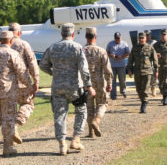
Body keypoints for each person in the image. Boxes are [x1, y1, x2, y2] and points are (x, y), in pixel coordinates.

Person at [39, 23, 96, 156]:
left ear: (61, 34)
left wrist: (54, 73)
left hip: (58, 86)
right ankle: (76, 138)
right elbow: (84, 69)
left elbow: (42, 65)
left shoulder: (53, 48)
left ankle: (62, 144)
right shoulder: (77, 47)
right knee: (81, 110)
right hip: (74, 87)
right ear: (73, 34)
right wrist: (89, 86)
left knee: (59, 114)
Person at [0, 30, 34, 157]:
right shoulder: (12, 53)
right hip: (8, 92)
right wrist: (30, 86)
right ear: (10, 41)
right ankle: (7, 147)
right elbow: (22, 72)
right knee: (8, 119)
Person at [8, 22, 39, 145]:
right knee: (28, 104)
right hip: (22, 83)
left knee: (9, 110)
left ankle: (9, 139)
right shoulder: (24, 44)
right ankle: (15, 126)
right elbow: (32, 63)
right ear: (19, 33)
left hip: (6, 84)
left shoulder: (3, 45)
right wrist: (36, 80)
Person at [84, 27, 113, 138]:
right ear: (96, 37)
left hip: (86, 84)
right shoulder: (101, 51)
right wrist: (109, 82)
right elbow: (107, 69)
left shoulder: (82, 51)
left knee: (89, 106)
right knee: (102, 104)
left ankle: (91, 132)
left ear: (86, 37)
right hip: (99, 82)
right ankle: (96, 120)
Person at [127, 32, 158, 113]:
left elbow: (155, 59)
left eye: (142, 38)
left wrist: (156, 70)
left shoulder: (150, 47)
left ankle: (144, 104)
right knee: (138, 89)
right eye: (140, 38)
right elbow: (131, 59)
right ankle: (143, 101)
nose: (141, 39)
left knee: (145, 89)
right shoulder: (135, 48)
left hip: (147, 72)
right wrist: (129, 70)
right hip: (137, 72)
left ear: (145, 39)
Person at [106, 32, 130, 100]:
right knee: (112, 81)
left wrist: (122, 56)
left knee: (122, 80)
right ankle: (113, 95)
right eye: (116, 38)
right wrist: (111, 55)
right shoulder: (110, 44)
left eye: (118, 38)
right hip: (112, 65)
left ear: (121, 37)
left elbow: (128, 53)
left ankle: (123, 91)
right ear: (114, 38)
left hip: (121, 65)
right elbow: (106, 52)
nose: (117, 39)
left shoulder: (124, 44)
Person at [145, 30, 158, 96]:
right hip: (145, 62)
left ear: (150, 35)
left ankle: (153, 88)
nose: (147, 36)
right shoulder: (142, 43)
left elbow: (158, 50)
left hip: (152, 62)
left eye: (148, 35)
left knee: (154, 76)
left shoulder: (154, 43)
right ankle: (146, 90)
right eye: (146, 35)